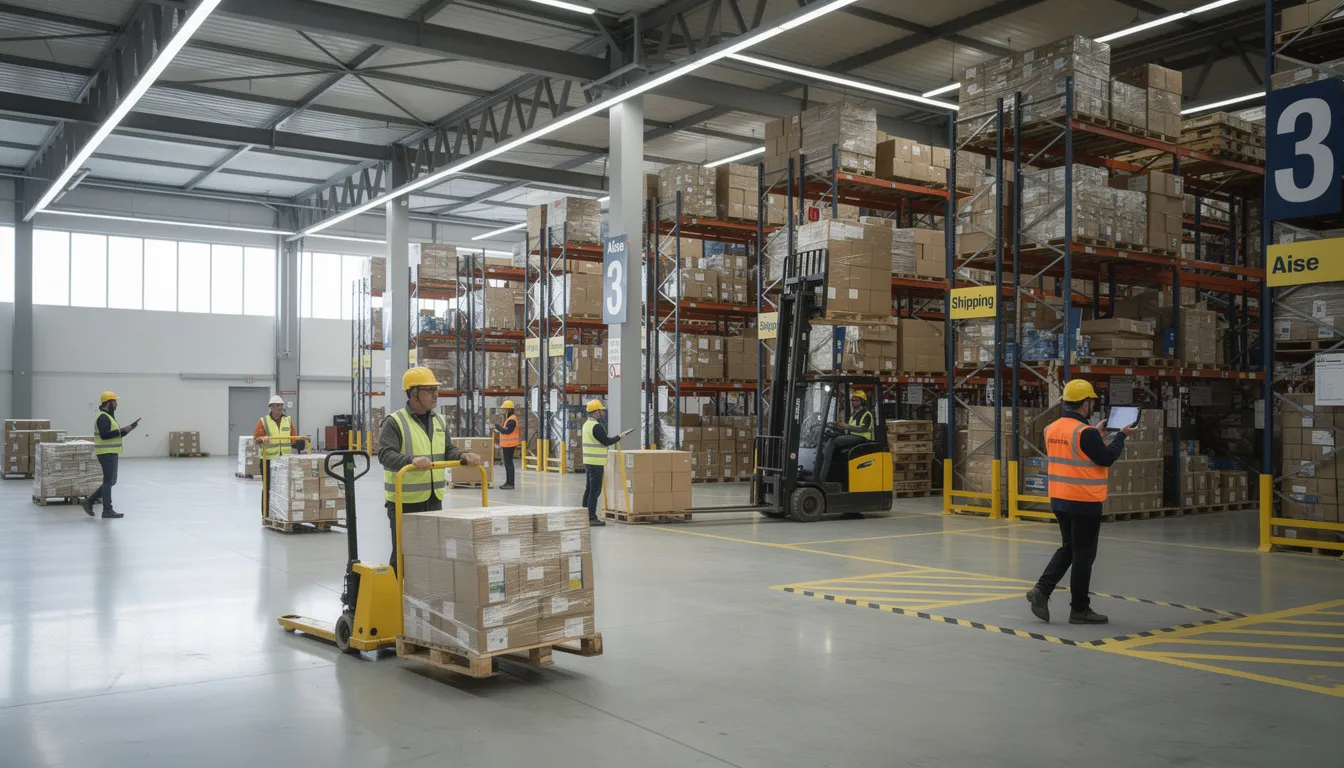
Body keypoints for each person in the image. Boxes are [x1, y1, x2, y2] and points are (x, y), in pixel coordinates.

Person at [1026, 379, 1136, 626]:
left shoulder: (1052, 428)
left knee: (1069, 547)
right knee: (1083, 555)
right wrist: (1121, 436)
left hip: (1059, 499)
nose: (1092, 405)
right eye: (1092, 402)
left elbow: (1073, 451)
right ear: (1085, 404)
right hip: (1084, 501)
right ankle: (1079, 609)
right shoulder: (1085, 433)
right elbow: (1106, 457)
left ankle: (1042, 590)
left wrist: (1095, 435)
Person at [378, 366, 482, 567]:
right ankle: (397, 587)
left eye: (436, 390)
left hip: (433, 499)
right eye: (429, 390)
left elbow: (447, 449)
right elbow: (385, 454)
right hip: (405, 501)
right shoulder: (395, 422)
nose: (435, 395)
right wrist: (411, 461)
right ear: (413, 394)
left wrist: (463, 455)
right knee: (403, 554)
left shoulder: (440, 421)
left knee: (431, 552)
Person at [81, 391, 137, 519]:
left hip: (111, 452)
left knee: (112, 481)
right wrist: (121, 430)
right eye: (115, 402)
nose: (116, 404)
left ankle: (90, 501)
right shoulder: (103, 417)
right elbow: (104, 435)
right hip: (106, 453)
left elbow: (115, 434)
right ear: (109, 403)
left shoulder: (108, 416)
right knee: (108, 481)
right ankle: (107, 510)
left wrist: (126, 430)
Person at [580, 399, 624, 527]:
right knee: (595, 491)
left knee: (589, 489)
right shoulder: (596, 426)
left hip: (589, 461)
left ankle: (584, 515)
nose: (602, 412)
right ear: (595, 412)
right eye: (600, 410)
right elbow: (606, 441)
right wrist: (619, 437)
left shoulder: (586, 425)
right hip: (596, 463)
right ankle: (591, 517)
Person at [253, 395, 306, 488]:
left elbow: (293, 439)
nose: (280, 407)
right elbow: (256, 439)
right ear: (271, 407)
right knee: (267, 487)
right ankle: (266, 498)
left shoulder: (288, 420)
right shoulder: (263, 421)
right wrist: (262, 439)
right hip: (268, 459)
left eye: (281, 405)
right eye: (277, 405)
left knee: (283, 487)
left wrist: (302, 439)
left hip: (285, 459)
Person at [493, 400, 519, 490]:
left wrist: (498, 427)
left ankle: (511, 483)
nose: (503, 411)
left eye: (504, 409)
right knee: (507, 464)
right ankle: (508, 482)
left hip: (510, 445)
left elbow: (507, 431)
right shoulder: (509, 419)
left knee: (509, 464)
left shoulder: (512, 420)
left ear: (509, 410)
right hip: (507, 445)